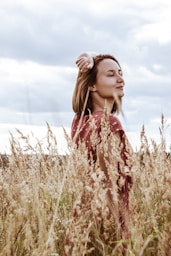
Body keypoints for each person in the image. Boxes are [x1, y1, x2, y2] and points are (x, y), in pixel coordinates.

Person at [64, 52, 133, 255]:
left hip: (82, 222)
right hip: (107, 225)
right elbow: (110, 185)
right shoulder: (108, 124)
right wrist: (121, 234)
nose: (121, 79)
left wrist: (91, 61)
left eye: (120, 73)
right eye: (111, 74)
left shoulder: (79, 121)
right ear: (92, 85)